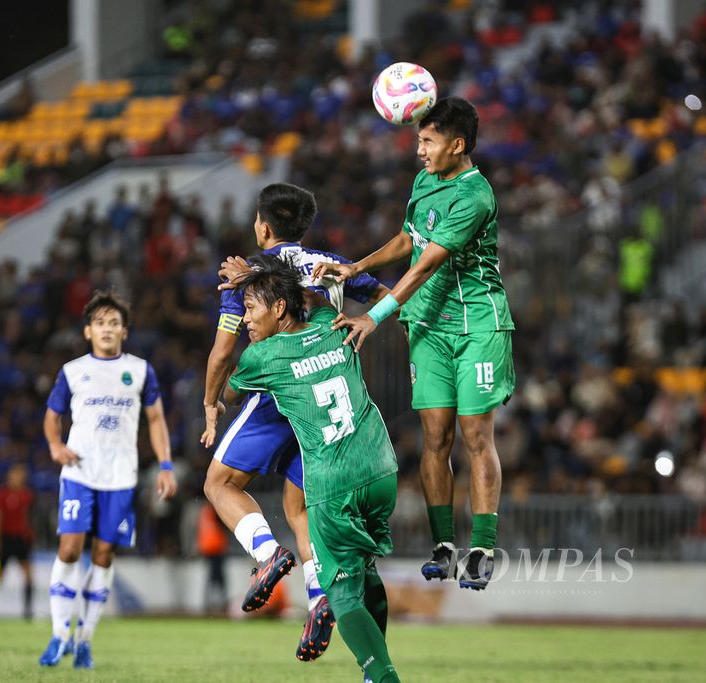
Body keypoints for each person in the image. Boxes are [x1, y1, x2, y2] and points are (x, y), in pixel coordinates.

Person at [312, 98, 516, 590]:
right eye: (419, 140)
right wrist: (358, 267)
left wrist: (373, 316)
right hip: (428, 328)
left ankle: (483, 549)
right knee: (435, 438)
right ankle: (444, 548)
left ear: (457, 145)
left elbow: (427, 266)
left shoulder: (475, 197)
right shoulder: (426, 181)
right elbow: (410, 239)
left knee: (475, 437)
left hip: (476, 328)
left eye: (427, 141)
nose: (419, 150)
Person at [200, 182, 388, 661]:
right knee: (298, 508)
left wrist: (210, 402)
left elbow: (224, 350)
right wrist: (365, 323)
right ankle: (319, 594)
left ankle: (267, 555)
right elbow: (385, 293)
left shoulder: (250, 278)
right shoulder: (329, 264)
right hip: (328, 406)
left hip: (278, 391)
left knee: (219, 483)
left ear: (263, 225)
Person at [223, 255, 400, 683]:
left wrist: (245, 288)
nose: (246, 318)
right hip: (381, 468)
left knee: (340, 592)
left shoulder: (262, 356)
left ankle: (382, 676)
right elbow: (312, 298)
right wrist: (269, 282)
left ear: (278, 308)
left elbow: (228, 392)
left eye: (251, 307)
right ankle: (376, 667)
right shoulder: (331, 323)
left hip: (332, 482)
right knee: (368, 569)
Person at [39, 291, 178, 669]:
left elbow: (155, 419)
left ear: (124, 332)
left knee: (103, 555)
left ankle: (83, 641)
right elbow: (52, 416)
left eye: (114, 323)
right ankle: (58, 634)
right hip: (80, 472)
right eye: (100, 322)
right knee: (69, 549)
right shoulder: (72, 371)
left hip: (120, 477)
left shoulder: (140, 371)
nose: (107, 329)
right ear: (88, 331)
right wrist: (55, 446)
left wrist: (165, 465)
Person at [0, 462, 35, 620]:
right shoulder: (1, 494)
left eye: (22, 474)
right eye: (17, 473)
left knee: (28, 574)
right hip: (5, 538)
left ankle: (27, 610)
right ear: (10, 475)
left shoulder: (27, 494)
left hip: (21, 539)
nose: (19, 477)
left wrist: (30, 536)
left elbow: (28, 518)